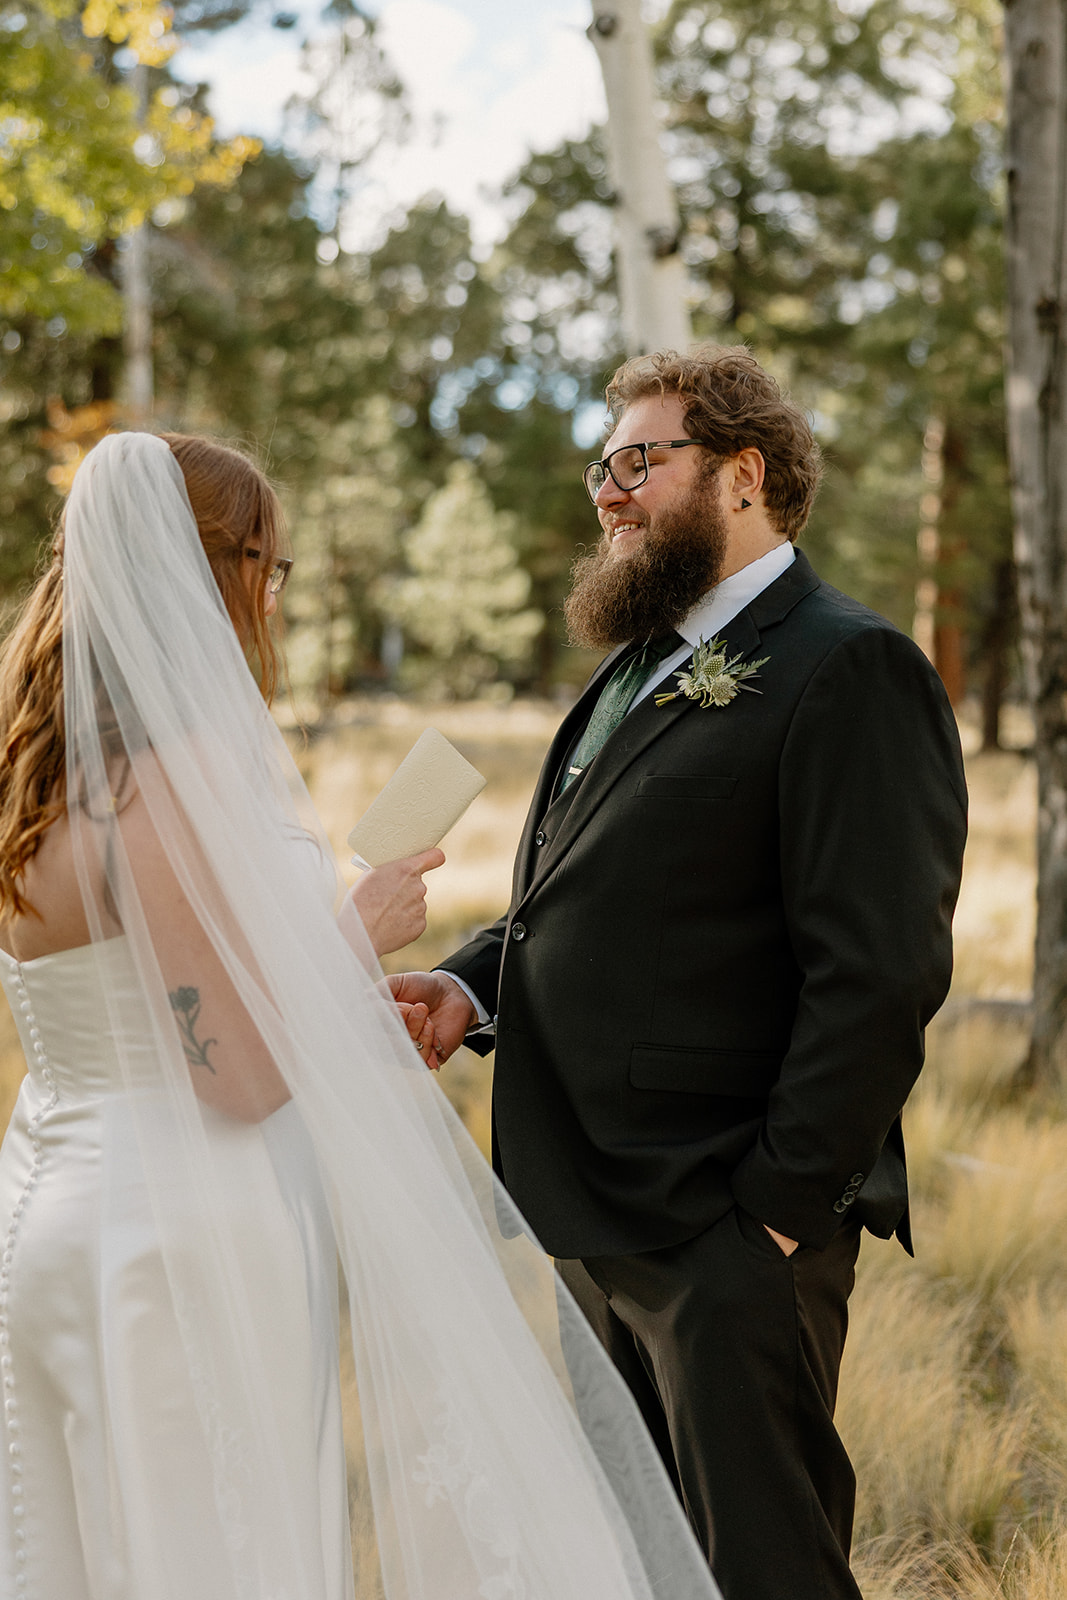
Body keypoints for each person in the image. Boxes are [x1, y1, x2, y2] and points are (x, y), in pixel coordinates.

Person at [0, 431, 722, 1600]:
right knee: (213, 1555)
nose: (272, 599)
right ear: (208, 568)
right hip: (183, 1233)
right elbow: (231, 1069)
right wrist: (355, 934)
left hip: (51, 1198)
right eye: (268, 567)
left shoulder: (32, 759)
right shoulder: (163, 773)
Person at [390, 346, 969, 1600]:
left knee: (764, 1570)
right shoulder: (636, 661)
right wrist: (472, 986)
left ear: (742, 474)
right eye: (603, 463)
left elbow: (877, 972)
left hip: (723, 1224)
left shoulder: (848, 665)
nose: (608, 489)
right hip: (593, 1207)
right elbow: (600, 896)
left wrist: (769, 1210)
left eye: (639, 460)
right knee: (640, 1569)